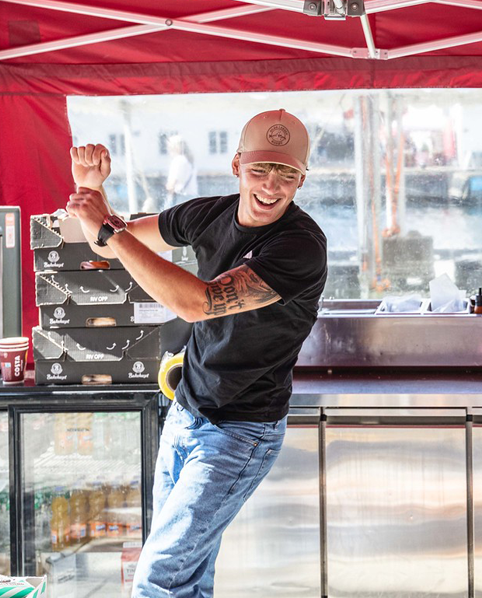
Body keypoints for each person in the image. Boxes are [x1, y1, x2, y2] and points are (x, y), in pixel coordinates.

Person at [65, 109, 327, 598]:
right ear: (236, 165)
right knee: (188, 578)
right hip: (186, 414)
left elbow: (194, 303)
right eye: (260, 170)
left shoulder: (300, 246)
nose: (272, 185)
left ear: (302, 179)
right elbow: (110, 246)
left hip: (242, 431)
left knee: (157, 580)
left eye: (287, 174)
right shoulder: (208, 214)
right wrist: (91, 189)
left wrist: (108, 228)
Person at [164, 135, 198, 208]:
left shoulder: (178, 160)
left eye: (169, 146)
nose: (168, 149)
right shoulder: (189, 160)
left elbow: (171, 185)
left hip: (180, 199)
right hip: (190, 197)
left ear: (176, 147)